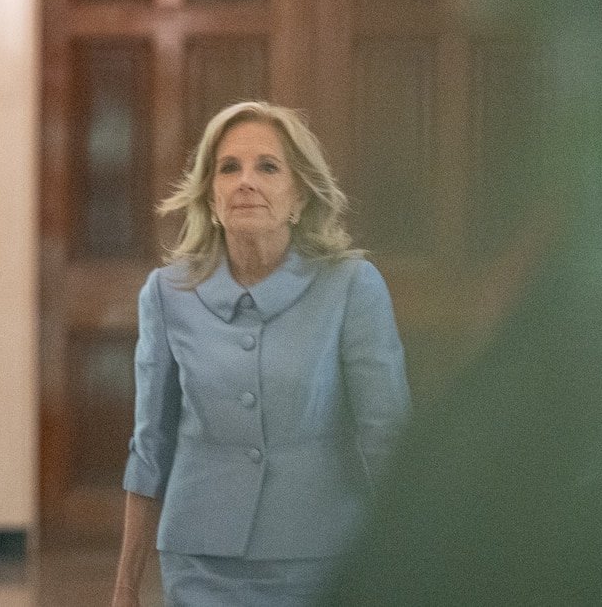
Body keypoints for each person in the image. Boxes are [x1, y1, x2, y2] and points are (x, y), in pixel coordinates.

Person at [111, 101, 410, 607]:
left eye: (267, 167)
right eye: (229, 168)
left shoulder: (352, 287)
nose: (245, 181)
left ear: (299, 198)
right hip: (197, 561)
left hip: (321, 558)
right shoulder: (166, 294)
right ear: (210, 195)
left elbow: (388, 439)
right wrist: (125, 588)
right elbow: (149, 446)